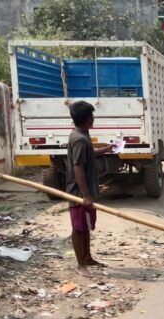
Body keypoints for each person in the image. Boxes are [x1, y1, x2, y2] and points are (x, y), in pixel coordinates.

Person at [66, 101, 114, 276]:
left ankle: (87, 257)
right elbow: (78, 167)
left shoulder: (81, 135)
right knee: (78, 228)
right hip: (78, 192)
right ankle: (80, 265)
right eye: (91, 116)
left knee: (86, 226)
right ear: (87, 119)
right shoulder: (79, 139)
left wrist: (105, 149)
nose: (93, 118)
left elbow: (88, 155)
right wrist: (85, 195)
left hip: (86, 191)